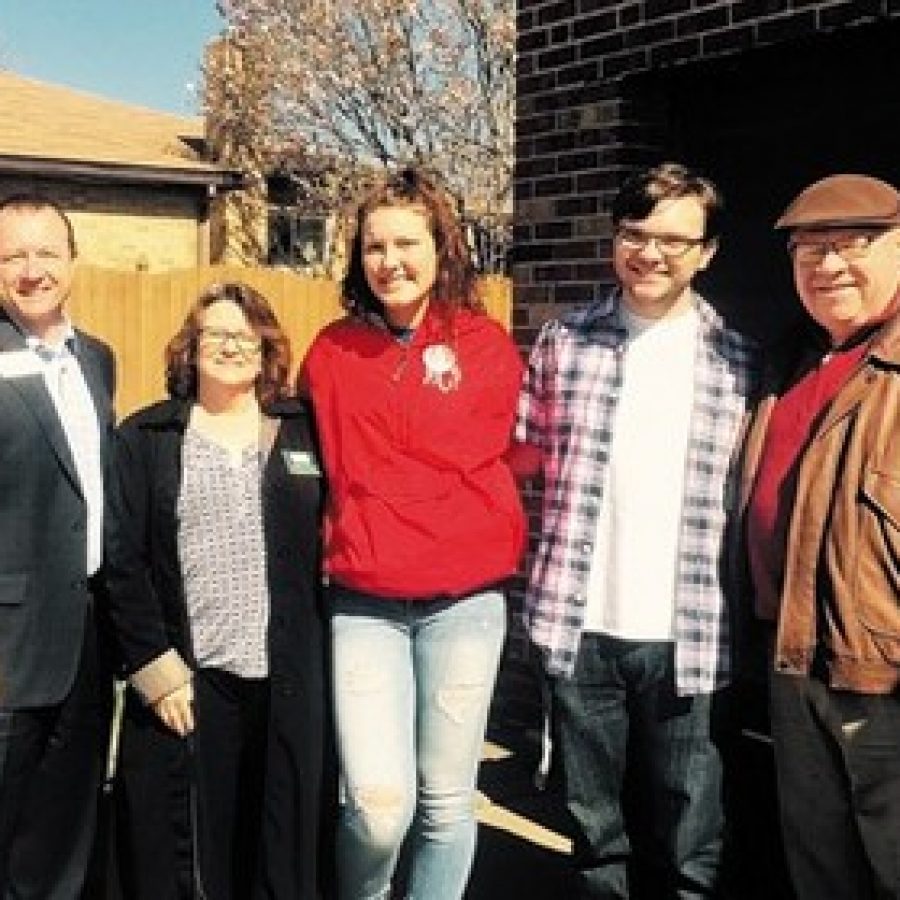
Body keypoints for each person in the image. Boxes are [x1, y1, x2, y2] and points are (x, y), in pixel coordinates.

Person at [512, 162, 759, 898]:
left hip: (690, 633)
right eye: (634, 234)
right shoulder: (563, 343)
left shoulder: (739, 361)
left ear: (708, 252)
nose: (649, 253)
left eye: (673, 240)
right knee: (594, 837)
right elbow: (520, 459)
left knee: (689, 842)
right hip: (580, 627)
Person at [301, 168, 525, 900]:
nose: (389, 260)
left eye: (406, 243)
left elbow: (502, 454)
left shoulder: (485, 346)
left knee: (444, 801)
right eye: (374, 246)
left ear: (440, 248)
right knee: (374, 806)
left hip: (463, 606)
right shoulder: (332, 352)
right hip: (365, 604)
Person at [104, 282, 329, 899]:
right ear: (191, 346)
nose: (231, 346)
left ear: (266, 350)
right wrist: (155, 667)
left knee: (277, 840)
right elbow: (122, 557)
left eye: (245, 335)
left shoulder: (304, 432)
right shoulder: (147, 439)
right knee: (190, 847)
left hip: (285, 682)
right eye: (216, 333)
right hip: (189, 683)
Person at [740, 173, 900, 900]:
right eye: (810, 251)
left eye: (853, 245)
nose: (828, 266)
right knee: (821, 867)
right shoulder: (788, 363)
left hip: (883, 678)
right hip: (793, 659)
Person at [0, 194, 116, 896]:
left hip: (84, 637)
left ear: (72, 261)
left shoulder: (96, 358)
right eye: (14, 255)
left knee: (64, 835)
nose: (32, 270)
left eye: (47, 253)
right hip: (5, 646)